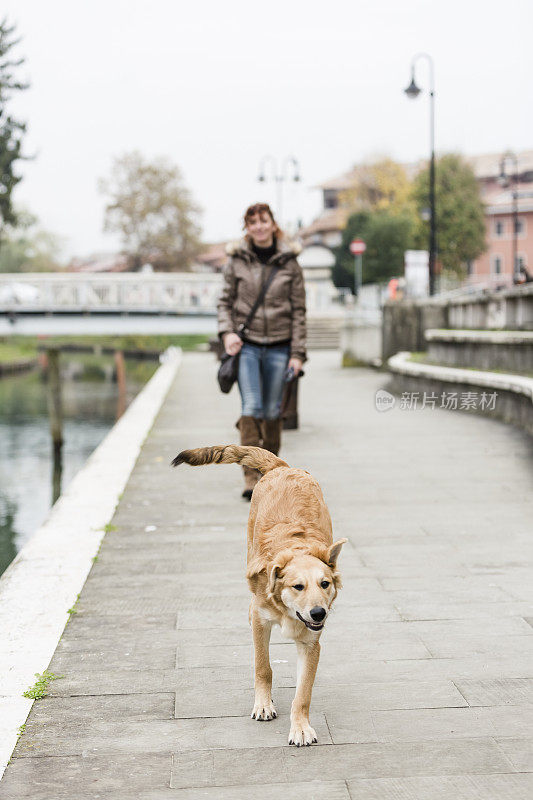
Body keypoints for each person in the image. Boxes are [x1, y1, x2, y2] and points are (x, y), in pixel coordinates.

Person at [217, 202, 307, 500]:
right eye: (252, 222)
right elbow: (224, 303)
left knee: (271, 412)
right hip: (249, 347)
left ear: (272, 224)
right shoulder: (236, 261)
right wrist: (228, 332)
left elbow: (299, 312)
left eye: (263, 220)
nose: (258, 226)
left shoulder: (289, 263)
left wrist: (298, 353)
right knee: (251, 408)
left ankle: (272, 472)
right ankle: (250, 477)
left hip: (281, 347)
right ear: (247, 227)